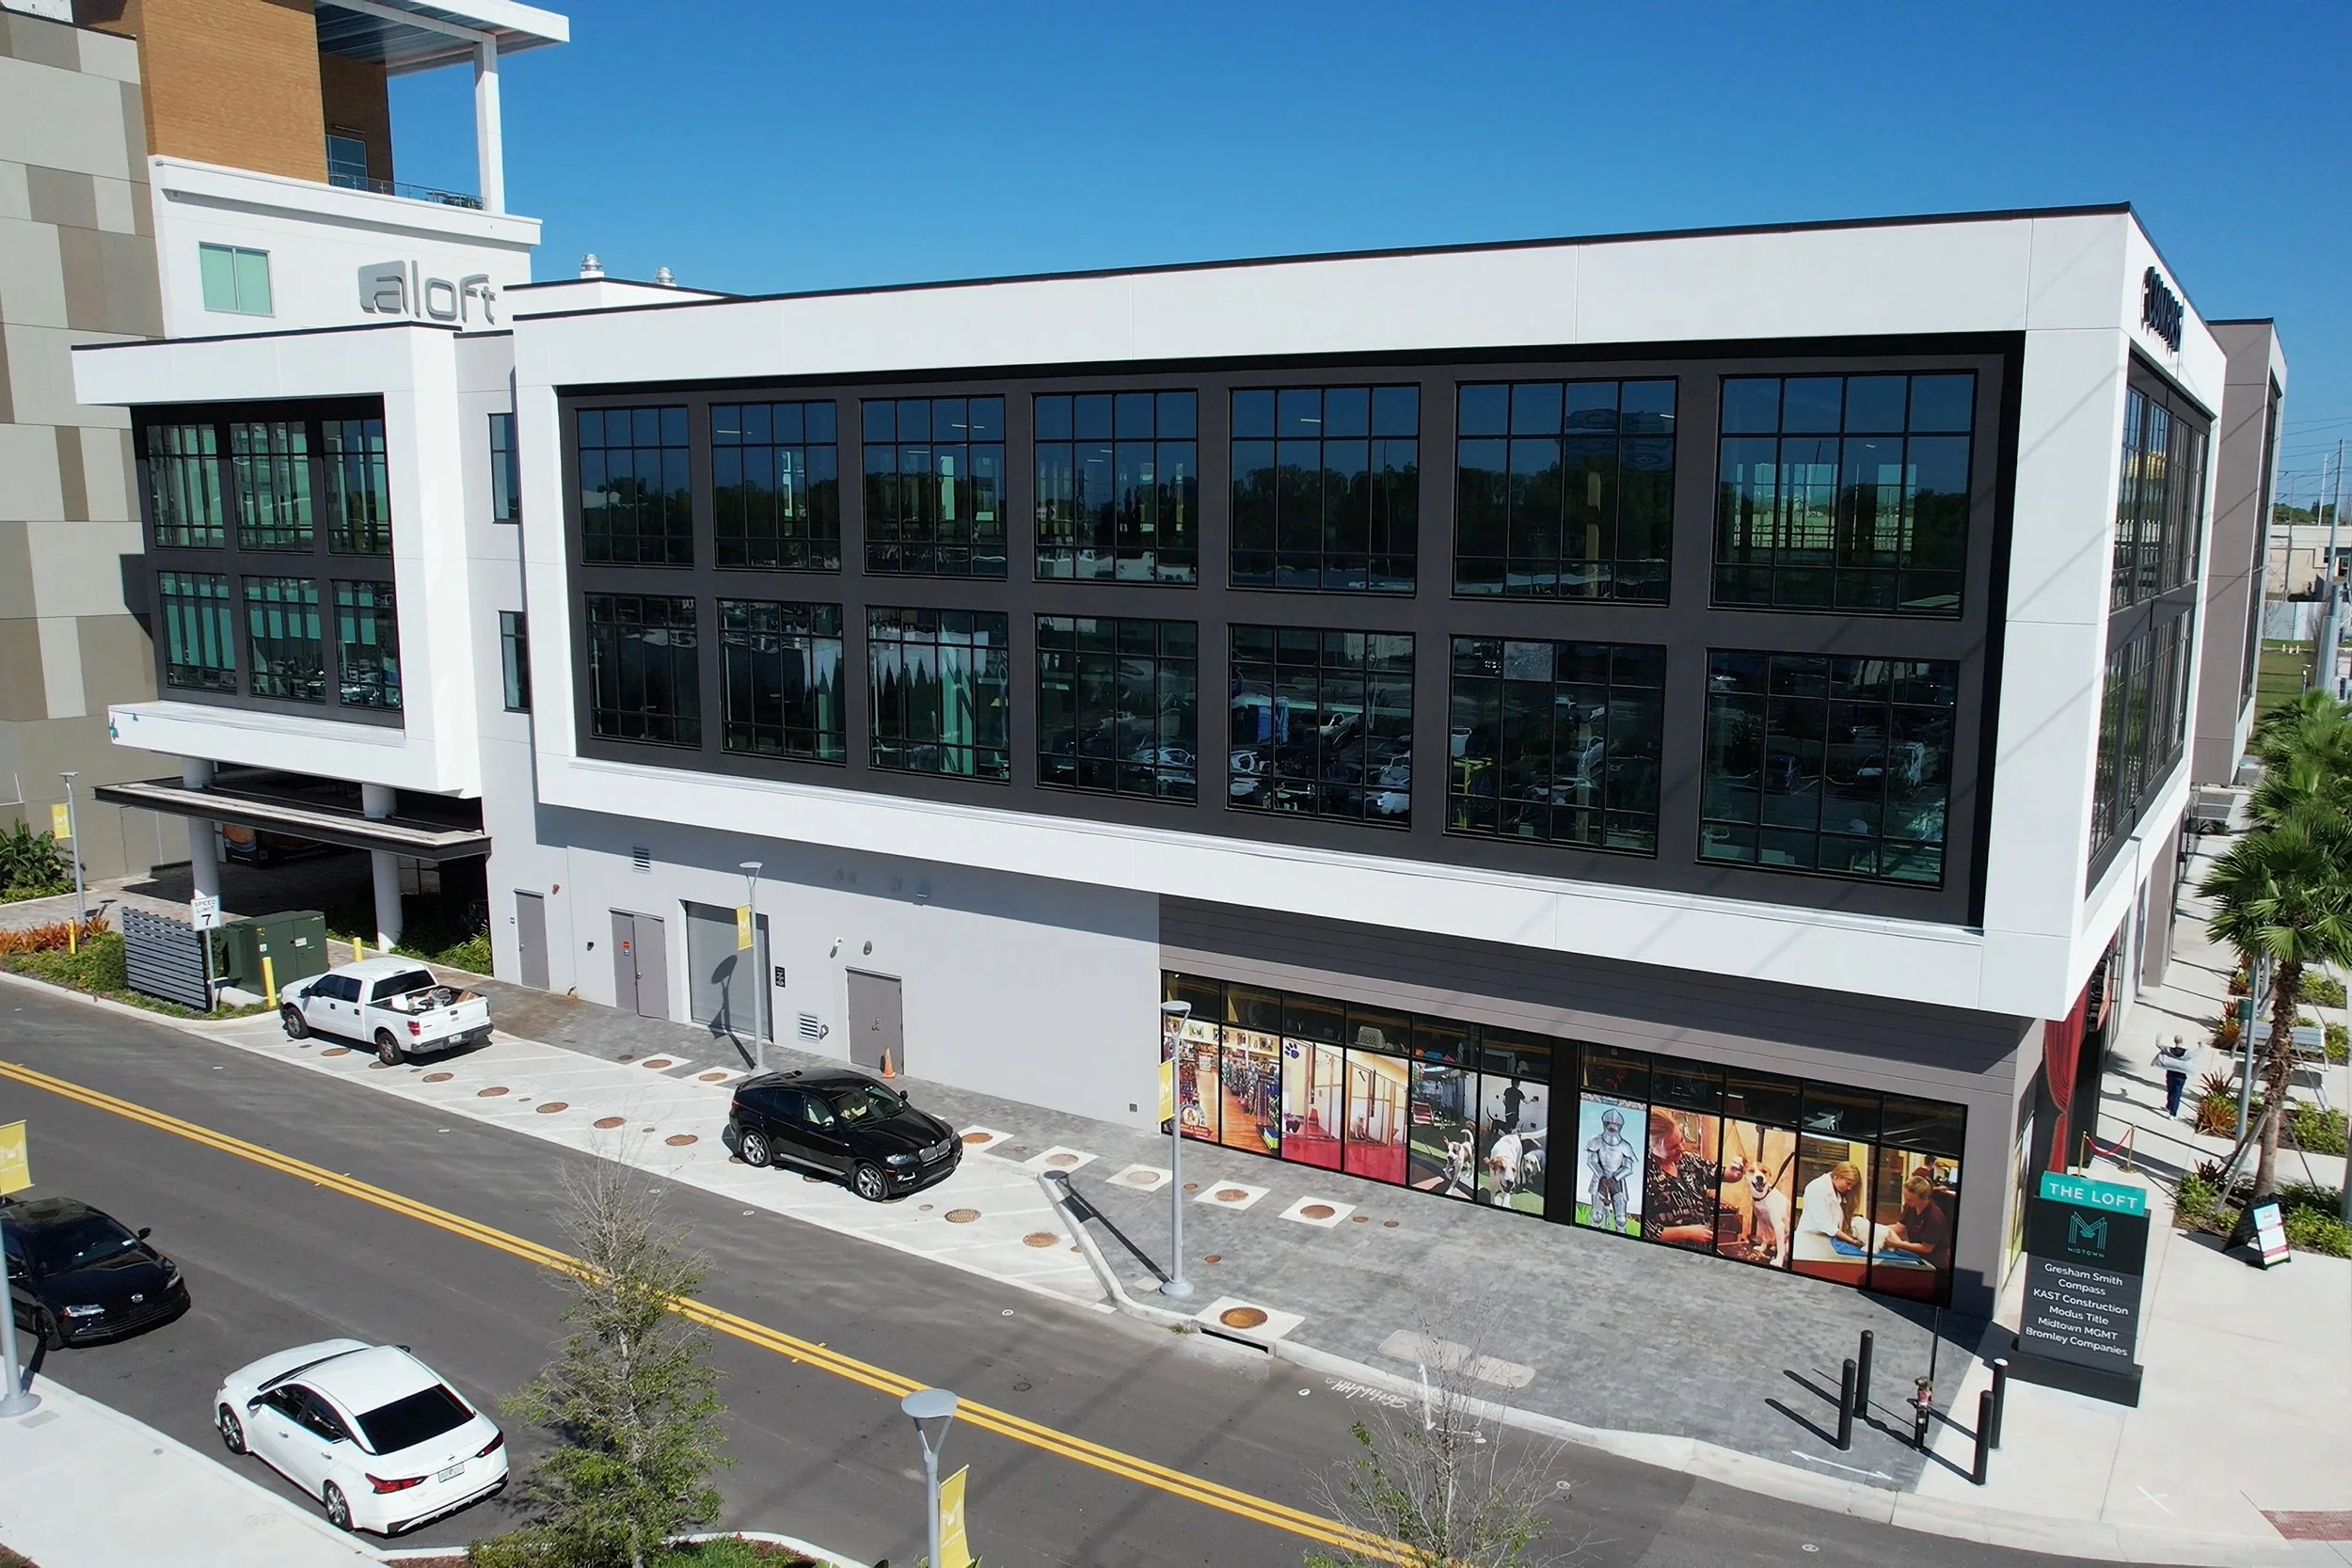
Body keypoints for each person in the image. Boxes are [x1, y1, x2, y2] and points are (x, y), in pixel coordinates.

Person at [1645, 1109, 1719, 1247]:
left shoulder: (1688, 1160)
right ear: (1651, 1147)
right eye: (1673, 1147)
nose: (1682, 1148)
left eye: (1681, 1140)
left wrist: (1734, 1171)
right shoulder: (1643, 1174)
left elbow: (1717, 1172)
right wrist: (1687, 1233)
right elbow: (1642, 1228)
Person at [1881, 1173, 1955, 1271]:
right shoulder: (1910, 1206)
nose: (1906, 1201)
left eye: (1910, 1200)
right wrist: (1877, 1229)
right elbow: (1899, 1227)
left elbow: (1926, 1248)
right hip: (1918, 1255)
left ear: (1924, 1198)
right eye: (1905, 1197)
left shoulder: (1935, 1217)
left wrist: (1898, 1243)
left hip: (1937, 1263)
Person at [1583, 1104, 1639, 1233]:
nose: (1612, 1126)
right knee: (1596, 1216)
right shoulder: (1596, 1141)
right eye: (1609, 1123)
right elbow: (1592, 1161)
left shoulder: (1625, 1146)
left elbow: (1628, 1167)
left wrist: (1615, 1178)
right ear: (1604, 1124)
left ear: (1620, 1126)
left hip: (1618, 1182)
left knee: (1621, 1220)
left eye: (1616, 1124)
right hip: (1599, 1179)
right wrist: (1602, 1176)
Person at [1796, 1161, 1865, 1248]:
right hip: (1810, 1239)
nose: (1849, 1188)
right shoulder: (1817, 1188)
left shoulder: (1837, 1191)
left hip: (1824, 1241)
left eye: (1852, 1186)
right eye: (1848, 1183)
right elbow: (1825, 1225)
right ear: (1837, 1176)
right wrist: (1852, 1241)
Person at [2154, 1033, 2198, 1119]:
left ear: (2174, 1041)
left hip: (2171, 1074)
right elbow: (2197, 1052)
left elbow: (2159, 1045)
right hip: (2181, 1076)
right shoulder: (2187, 1053)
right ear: (2182, 1042)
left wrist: (2158, 1038)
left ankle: (2169, 1107)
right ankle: (2172, 1114)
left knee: (2170, 1091)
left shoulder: (2169, 1050)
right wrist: (2201, 1044)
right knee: (2176, 1094)